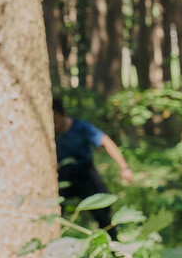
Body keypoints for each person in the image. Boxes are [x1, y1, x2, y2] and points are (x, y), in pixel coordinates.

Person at [53, 96, 134, 238]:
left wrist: (124, 167)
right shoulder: (49, 133)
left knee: (102, 211)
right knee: (55, 211)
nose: (54, 124)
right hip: (63, 176)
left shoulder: (80, 127)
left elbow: (105, 141)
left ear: (63, 115)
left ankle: (114, 247)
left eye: (56, 119)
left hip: (85, 174)